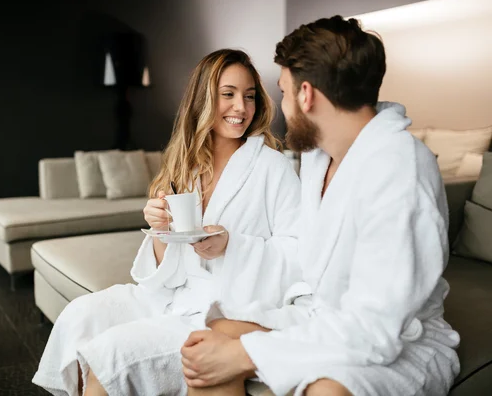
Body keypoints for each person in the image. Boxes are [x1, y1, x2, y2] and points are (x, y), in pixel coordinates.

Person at [181, 16, 460, 396]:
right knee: (212, 339)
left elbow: (374, 329)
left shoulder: (399, 170)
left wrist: (247, 354)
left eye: (283, 92)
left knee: (326, 390)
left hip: (400, 341)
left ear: (306, 94)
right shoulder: (317, 158)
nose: (281, 107)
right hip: (323, 317)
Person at [32, 49, 303, 396]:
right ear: (202, 99)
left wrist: (231, 245)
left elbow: (298, 253)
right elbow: (167, 271)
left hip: (222, 308)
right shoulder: (185, 166)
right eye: (228, 94)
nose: (241, 107)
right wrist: (160, 231)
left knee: (111, 354)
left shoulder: (272, 167)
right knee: (80, 316)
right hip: (172, 296)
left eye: (249, 96)